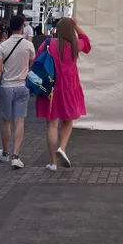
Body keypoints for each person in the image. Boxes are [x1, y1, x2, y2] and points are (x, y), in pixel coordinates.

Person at [35, 16, 91, 171]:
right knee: (68, 121)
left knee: (52, 125)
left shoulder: (48, 44)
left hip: (51, 90)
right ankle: (63, 148)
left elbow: (36, 61)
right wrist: (76, 26)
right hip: (69, 88)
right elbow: (87, 43)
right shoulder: (74, 45)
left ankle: (52, 162)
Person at [0, 14, 35, 169]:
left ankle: (5, 153)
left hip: (6, 86)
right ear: (22, 27)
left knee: (6, 121)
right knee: (20, 121)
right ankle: (16, 156)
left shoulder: (3, 46)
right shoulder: (28, 45)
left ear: (10, 27)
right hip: (23, 86)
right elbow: (32, 64)